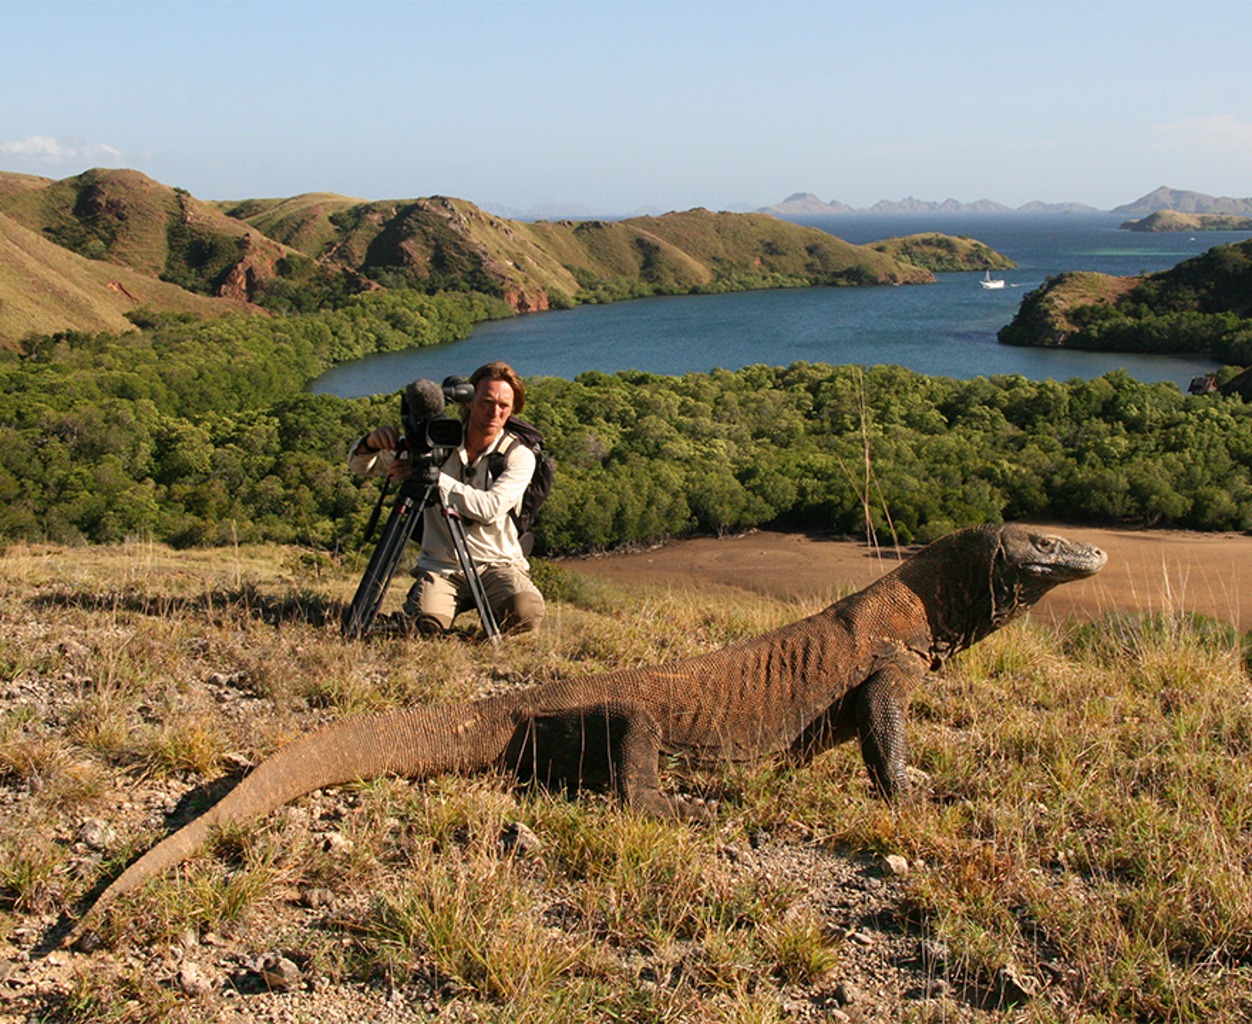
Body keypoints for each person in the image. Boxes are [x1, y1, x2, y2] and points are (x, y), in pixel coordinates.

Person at [348, 361, 545, 637]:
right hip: (443, 567)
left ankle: (480, 629)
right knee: (426, 628)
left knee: (526, 613)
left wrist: (431, 477)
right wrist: (370, 443)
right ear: (469, 402)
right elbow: (360, 467)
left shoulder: (518, 454)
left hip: (497, 565)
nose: (494, 411)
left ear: (513, 409)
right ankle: (436, 617)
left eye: (504, 405)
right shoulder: (435, 442)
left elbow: (490, 509)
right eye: (486, 401)